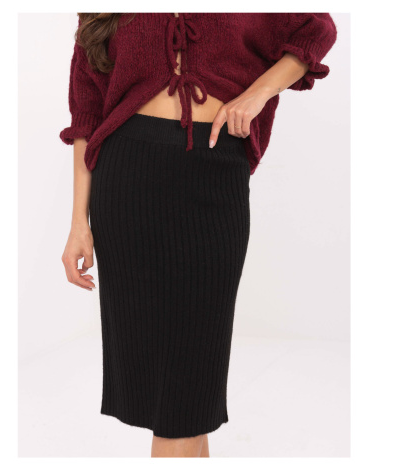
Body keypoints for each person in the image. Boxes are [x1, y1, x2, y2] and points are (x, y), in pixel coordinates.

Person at [60, 12, 337, 458]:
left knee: (192, 384)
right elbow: (86, 113)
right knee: (174, 399)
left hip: (214, 174)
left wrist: (259, 92)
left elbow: (316, 29)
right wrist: (79, 222)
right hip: (126, 181)